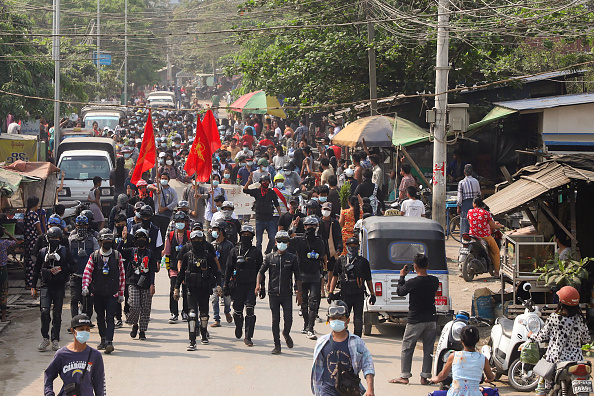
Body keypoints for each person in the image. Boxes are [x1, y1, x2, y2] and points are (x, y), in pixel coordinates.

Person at [528, 286, 590, 395]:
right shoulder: (580, 319)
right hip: (577, 360)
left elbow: (542, 336)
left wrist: (532, 335)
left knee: (542, 384)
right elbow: (586, 339)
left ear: (561, 302)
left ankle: (542, 392)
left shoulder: (554, 317)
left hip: (556, 360)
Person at [390, 254, 439, 385]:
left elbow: (400, 292)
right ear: (427, 265)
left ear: (415, 267)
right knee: (428, 349)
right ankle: (425, 377)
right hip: (431, 319)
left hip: (415, 319)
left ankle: (405, 376)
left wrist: (402, 276)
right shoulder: (435, 281)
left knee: (407, 347)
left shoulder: (412, 282)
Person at [311, 300, 375, 396]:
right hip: (327, 391)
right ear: (328, 321)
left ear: (347, 321)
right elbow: (318, 371)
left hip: (349, 390)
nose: (337, 321)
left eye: (341, 318)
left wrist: (370, 389)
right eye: (334, 319)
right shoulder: (322, 343)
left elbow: (368, 364)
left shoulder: (357, 343)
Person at [31, 227, 77, 351]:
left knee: (57, 313)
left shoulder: (64, 251)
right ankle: (45, 338)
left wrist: (61, 266)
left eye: (56, 238)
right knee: (44, 312)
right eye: (51, 238)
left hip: (59, 287)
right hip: (45, 286)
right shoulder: (42, 252)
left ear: (60, 239)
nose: (53, 241)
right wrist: (33, 286)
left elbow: (73, 267)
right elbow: (36, 270)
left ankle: (55, 339)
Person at [256, 231, 301, 354]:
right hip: (273, 293)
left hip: (286, 294)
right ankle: (277, 345)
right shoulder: (270, 257)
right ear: (275, 242)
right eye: (279, 241)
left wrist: (299, 292)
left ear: (288, 243)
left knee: (289, 319)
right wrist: (258, 285)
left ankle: (286, 333)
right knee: (275, 320)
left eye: (284, 241)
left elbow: (298, 276)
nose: (281, 244)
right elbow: (260, 272)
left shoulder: (292, 258)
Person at [174, 229, 220, 350]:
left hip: (205, 289)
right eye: (195, 240)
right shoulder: (187, 256)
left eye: (199, 240)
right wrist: (176, 288)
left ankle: (204, 334)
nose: (197, 242)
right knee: (192, 314)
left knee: (204, 314)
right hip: (191, 289)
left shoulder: (208, 256)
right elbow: (180, 273)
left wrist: (219, 285)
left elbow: (216, 271)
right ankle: (192, 340)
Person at [82, 229, 125, 354]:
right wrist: (85, 287)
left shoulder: (117, 256)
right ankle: (103, 339)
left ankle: (109, 342)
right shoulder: (94, 256)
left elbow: (122, 275)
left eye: (109, 241)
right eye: (105, 241)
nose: (107, 243)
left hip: (112, 294)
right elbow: (87, 273)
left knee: (110, 318)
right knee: (100, 318)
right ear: (100, 241)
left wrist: (121, 293)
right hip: (97, 293)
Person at [43, 314, 106, 396]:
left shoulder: (95, 355)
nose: (85, 332)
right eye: (81, 329)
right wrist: (49, 393)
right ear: (73, 331)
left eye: (87, 329)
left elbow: (99, 382)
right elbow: (49, 374)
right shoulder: (62, 354)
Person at [224, 224, 264, 347]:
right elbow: (228, 269)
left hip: (251, 285)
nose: (246, 237)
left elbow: (261, 271)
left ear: (252, 237)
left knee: (250, 310)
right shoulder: (234, 251)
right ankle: (238, 326)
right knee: (237, 311)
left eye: (248, 235)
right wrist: (225, 285)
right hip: (237, 285)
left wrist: (262, 286)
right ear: (240, 235)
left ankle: (248, 336)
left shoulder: (256, 252)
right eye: (244, 235)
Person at [328, 237, 374, 337]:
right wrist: (330, 292)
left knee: (358, 321)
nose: (352, 249)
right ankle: (344, 338)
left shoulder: (363, 262)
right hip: (344, 294)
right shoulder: (341, 260)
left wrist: (372, 294)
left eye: (354, 246)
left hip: (358, 294)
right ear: (346, 247)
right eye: (350, 246)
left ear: (358, 247)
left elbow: (369, 279)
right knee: (342, 318)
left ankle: (357, 340)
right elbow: (335, 276)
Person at [431, 326, 495, 396]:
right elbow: (490, 377)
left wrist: (436, 378)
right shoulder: (483, 358)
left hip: (455, 393)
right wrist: (488, 378)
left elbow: (443, 375)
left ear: (461, 340)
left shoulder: (454, 356)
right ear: (477, 340)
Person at [292, 216, 327, 340]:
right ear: (304, 227)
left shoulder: (320, 241)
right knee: (303, 302)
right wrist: (294, 227)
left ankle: (311, 328)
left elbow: (322, 256)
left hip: (315, 275)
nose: (310, 228)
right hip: (302, 276)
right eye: (308, 226)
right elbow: (286, 238)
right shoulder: (299, 240)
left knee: (314, 302)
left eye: (313, 226)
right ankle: (306, 325)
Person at [122, 228, 157, 340]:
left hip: (146, 283)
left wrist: (152, 284)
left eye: (143, 238)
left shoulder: (150, 253)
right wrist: (123, 240)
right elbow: (118, 251)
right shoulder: (131, 251)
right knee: (135, 305)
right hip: (133, 281)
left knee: (146, 308)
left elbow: (152, 270)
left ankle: (142, 330)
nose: (141, 240)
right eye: (139, 238)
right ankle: (134, 324)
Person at [68, 215, 99, 323]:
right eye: (79, 225)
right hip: (75, 276)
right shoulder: (71, 240)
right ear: (76, 226)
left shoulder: (93, 240)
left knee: (88, 300)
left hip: (89, 276)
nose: (82, 227)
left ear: (88, 226)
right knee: (74, 299)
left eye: (84, 225)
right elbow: (68, 257)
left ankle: (87, 320)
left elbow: (97, 257)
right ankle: (74, 322)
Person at [163, 211, 190, 324]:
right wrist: (168, 269)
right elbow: (167, 253)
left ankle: (185, 312)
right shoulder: (170, 235)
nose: (180, 224)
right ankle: (174, 313)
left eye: (182, 221)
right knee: (174, 290)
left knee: (186, 291)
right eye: (178, 222)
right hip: (174, 268)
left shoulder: (189, 235)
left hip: (187, 268)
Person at [243, 174, 281, 254]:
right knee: (258, 241)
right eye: (263, 181)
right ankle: (258, 255)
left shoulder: (271, 192)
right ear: (260, 182)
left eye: (267, 181)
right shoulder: (257, 192)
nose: (265, 183)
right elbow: (245, 190)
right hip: (259, 219)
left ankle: (267, 252)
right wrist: (249, 181)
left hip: (270, 219)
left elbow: (276, 204)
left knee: (272, 238)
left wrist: (280, 215)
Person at [467, 197, 503, 276]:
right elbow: (492, 225)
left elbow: (470, 222)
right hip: (484, 236)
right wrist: (501, 226)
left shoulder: (470, 211)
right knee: (496, 251)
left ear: (475, 204)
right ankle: (496, 272)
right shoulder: (486, 213)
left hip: (472, 234)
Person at [210, 220, 234, 327]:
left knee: (227, 298)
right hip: (215, 276)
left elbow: (233, 261)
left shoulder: (229, 245)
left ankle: (227, 311)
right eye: (213, 229)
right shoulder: (212, 245)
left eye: (216, 230)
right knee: (215, 298)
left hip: (226, 275)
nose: (214, 232)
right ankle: (216, 319)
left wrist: (232, 275)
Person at [319, 202, 342, 292]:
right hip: (321, 248)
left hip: (331, 248)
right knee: (321, 270)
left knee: (331, 269)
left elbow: (338, 237)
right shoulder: (318, 222)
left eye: (328, 210)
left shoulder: (335, 223)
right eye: (324, 209)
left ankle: (328, 285)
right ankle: (321, 289)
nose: (326, 211)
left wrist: (339, 248)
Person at [0, 227, 20, 322]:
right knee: (3, 292)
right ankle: (3, 316)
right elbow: (17, 242)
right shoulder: (4, 243)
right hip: (2, 269)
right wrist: (7, 233)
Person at [24, 196, 43, 290]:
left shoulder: (26, 214)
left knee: (28, 262)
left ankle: (28, 283)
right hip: (34, 241)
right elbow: (39, 229)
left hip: (27, 240)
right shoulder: (34, 215)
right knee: (34, 262)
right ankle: (32, 284)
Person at [457, 164, 480, 235]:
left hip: (465, 204)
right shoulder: (476, 181)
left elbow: (459, 197)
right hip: (475, 203)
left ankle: (465, 240)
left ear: (464, 173)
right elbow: (479, 193)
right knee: (475, 221)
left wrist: (458, 206)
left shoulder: (461, 183)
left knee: (465, 222)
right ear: (472, 173)